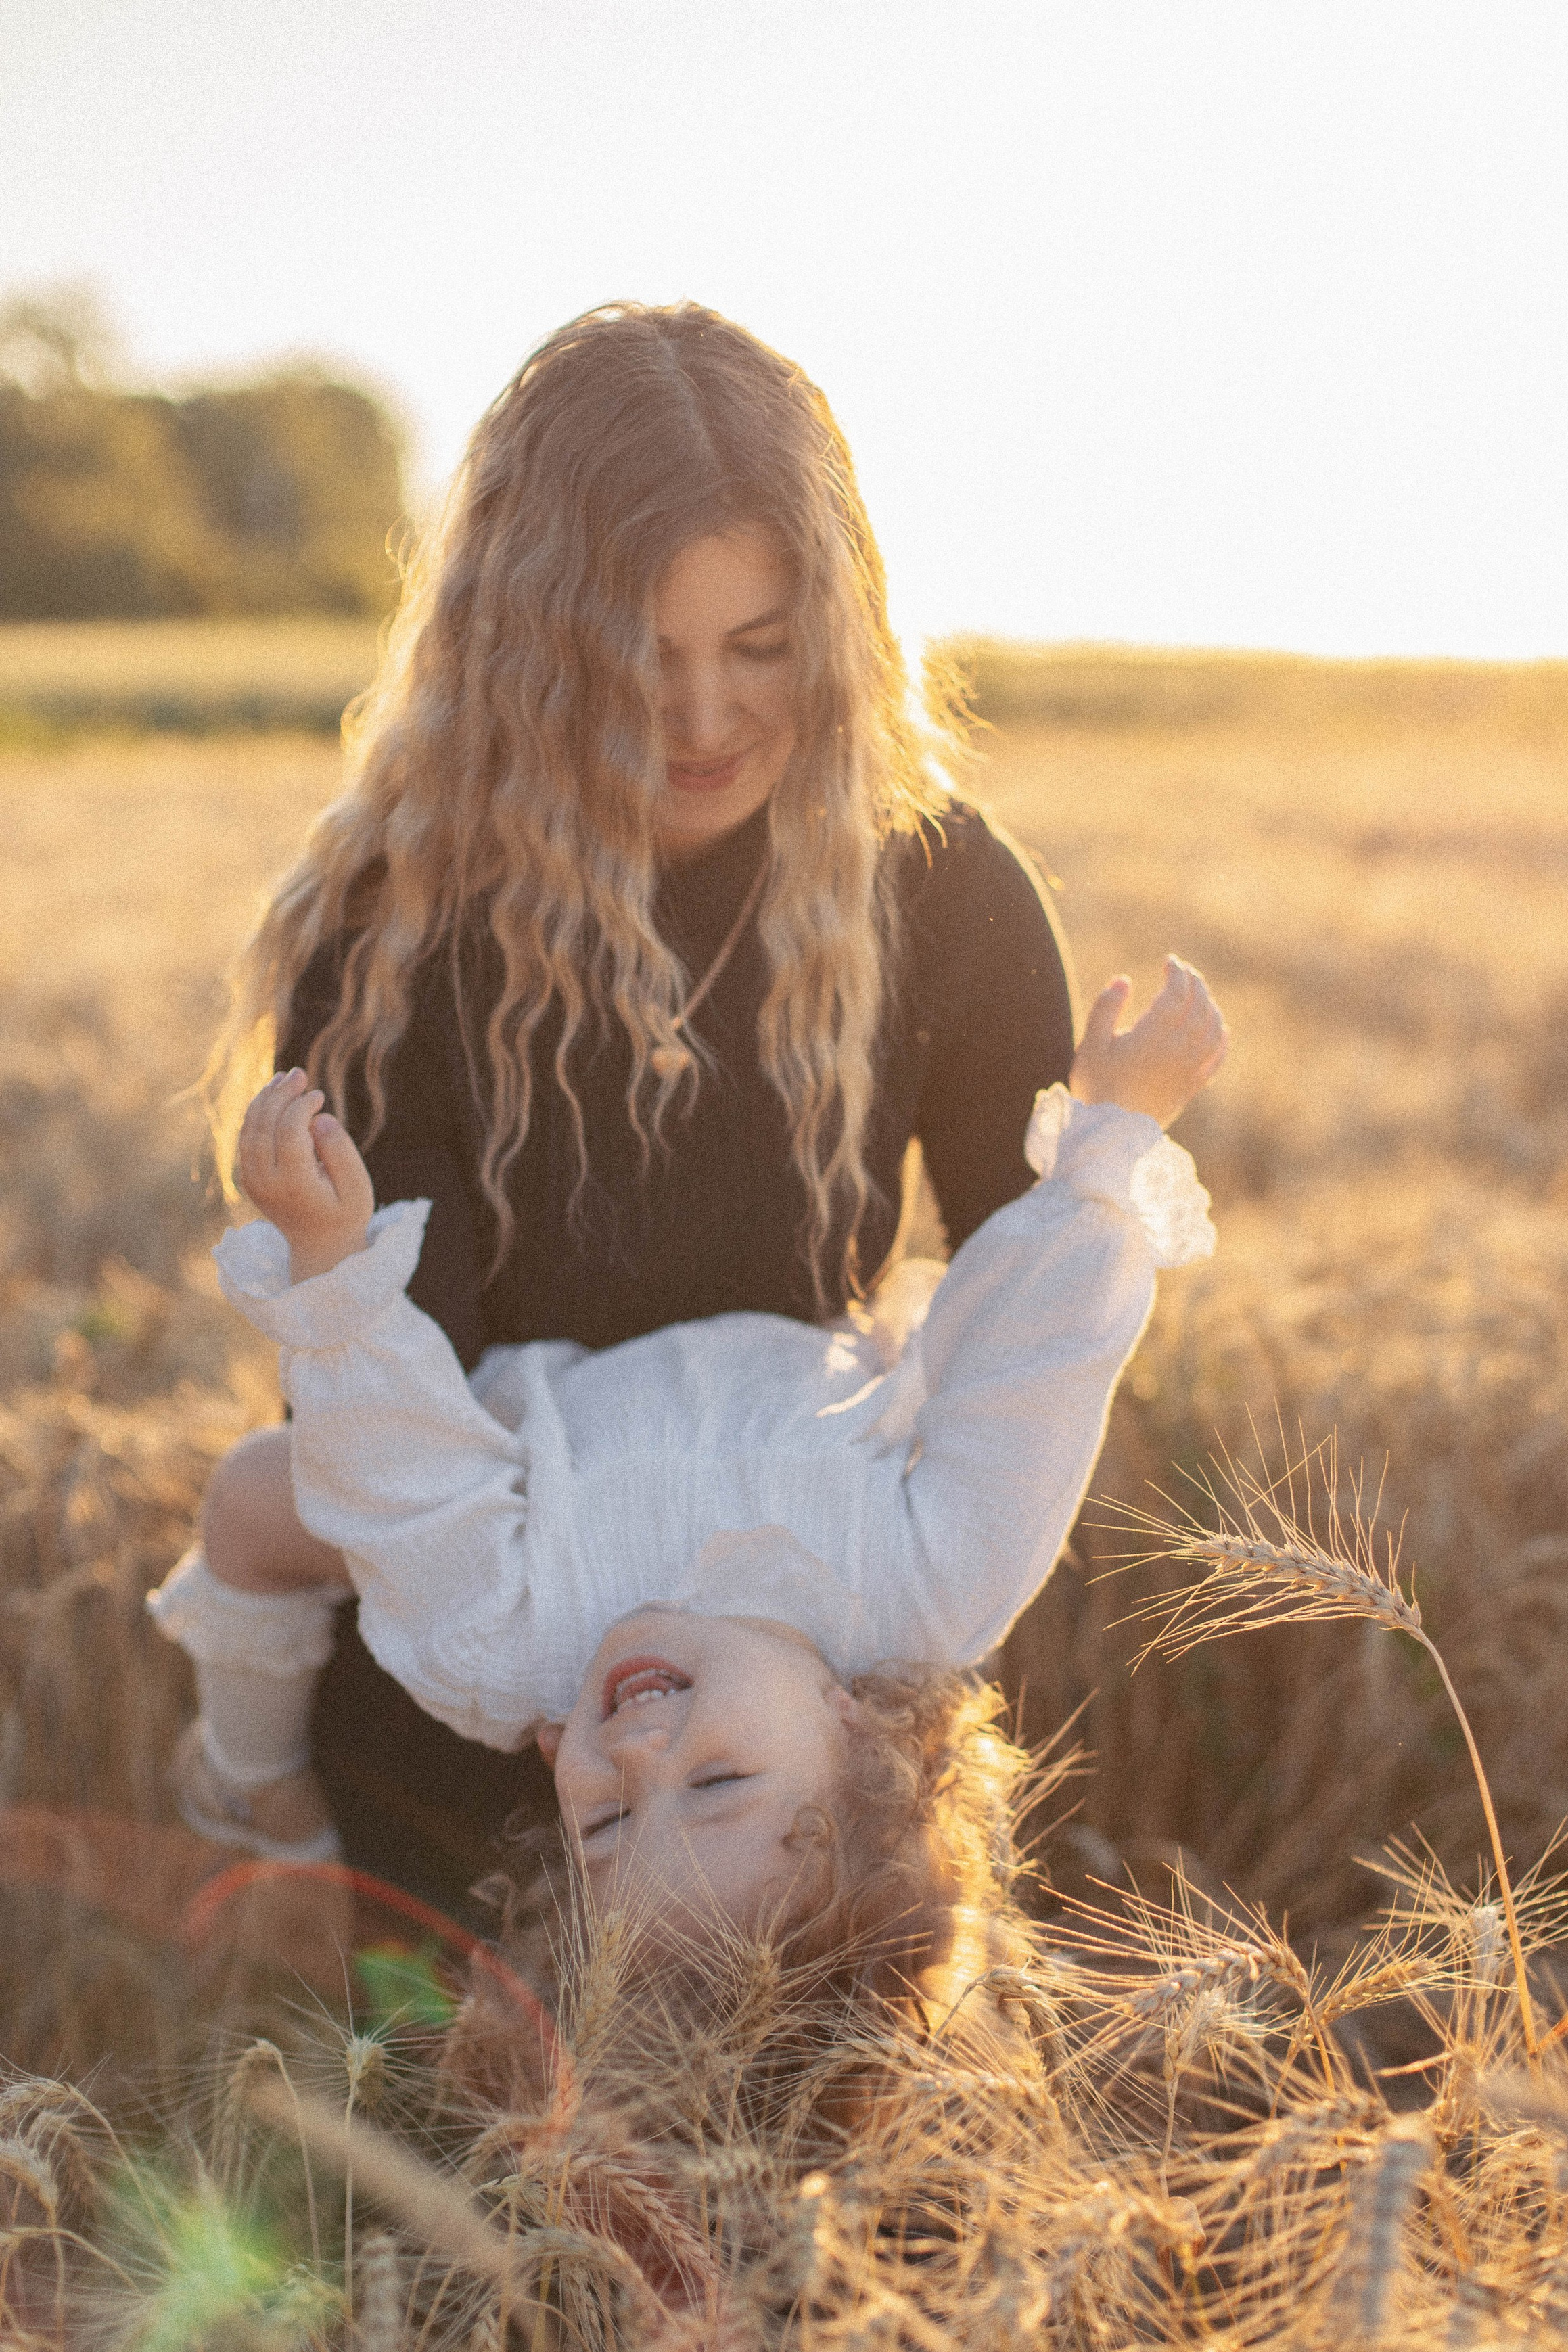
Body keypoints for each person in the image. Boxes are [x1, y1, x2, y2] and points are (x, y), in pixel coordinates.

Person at [198, 300, 1126, 1900]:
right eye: (639, 656)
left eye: (759, 648)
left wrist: (817, 1747)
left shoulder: (943, 891)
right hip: (486, 1691)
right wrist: (614, 1765)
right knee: (472, 2127)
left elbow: (1024, 1310)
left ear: (834, 634)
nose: (704, 720)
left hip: (805, 1690)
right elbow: (399, 1414)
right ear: (524, 652)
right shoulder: (399, 931)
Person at [152, 959, 1224, 1916]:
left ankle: (251, 1778)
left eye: (607, 1822)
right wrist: (1113, 1136)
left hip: (531, 1397)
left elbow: (405, 1484)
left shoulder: (502, 1647)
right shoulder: (935, 1594)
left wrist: (336, 1269)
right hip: (793, 1316)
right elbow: (1031, 1375)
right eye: (715, 1784)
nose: (637, 1755)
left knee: (254, 1493)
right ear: (857, 1738)